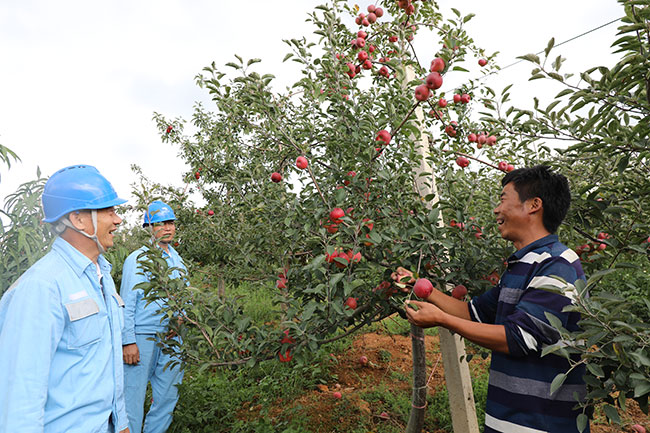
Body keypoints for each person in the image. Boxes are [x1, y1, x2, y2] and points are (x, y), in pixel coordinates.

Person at [395, 165, 588, 432]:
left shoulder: (558, 264)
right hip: (507, 420)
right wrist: (421, 287)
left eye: (502, 199)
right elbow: (473, 312)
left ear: (533, 205)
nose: (496, 210)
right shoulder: (520, 264)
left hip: (541, 423)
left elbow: (518, 338)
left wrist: (441, 319)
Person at [0, 164, 130, 433]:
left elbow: (102, 366)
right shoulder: (42, 287)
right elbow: (21, 398)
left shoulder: (102, 276)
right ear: (78, 219)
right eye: (108, 210)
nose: (117, 220)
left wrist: (121, 423)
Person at [121, 200, 187, 433]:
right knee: (133, 397)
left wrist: (181, 318)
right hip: (143, 336)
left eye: (170, 222)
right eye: (160, 223)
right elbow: (127, 302)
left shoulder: (177, 259)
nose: (167, 228)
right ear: (149, 227)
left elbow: (184, 295)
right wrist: (128, 341)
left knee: (168, 395)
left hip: (172, 337)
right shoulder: (138, 259)